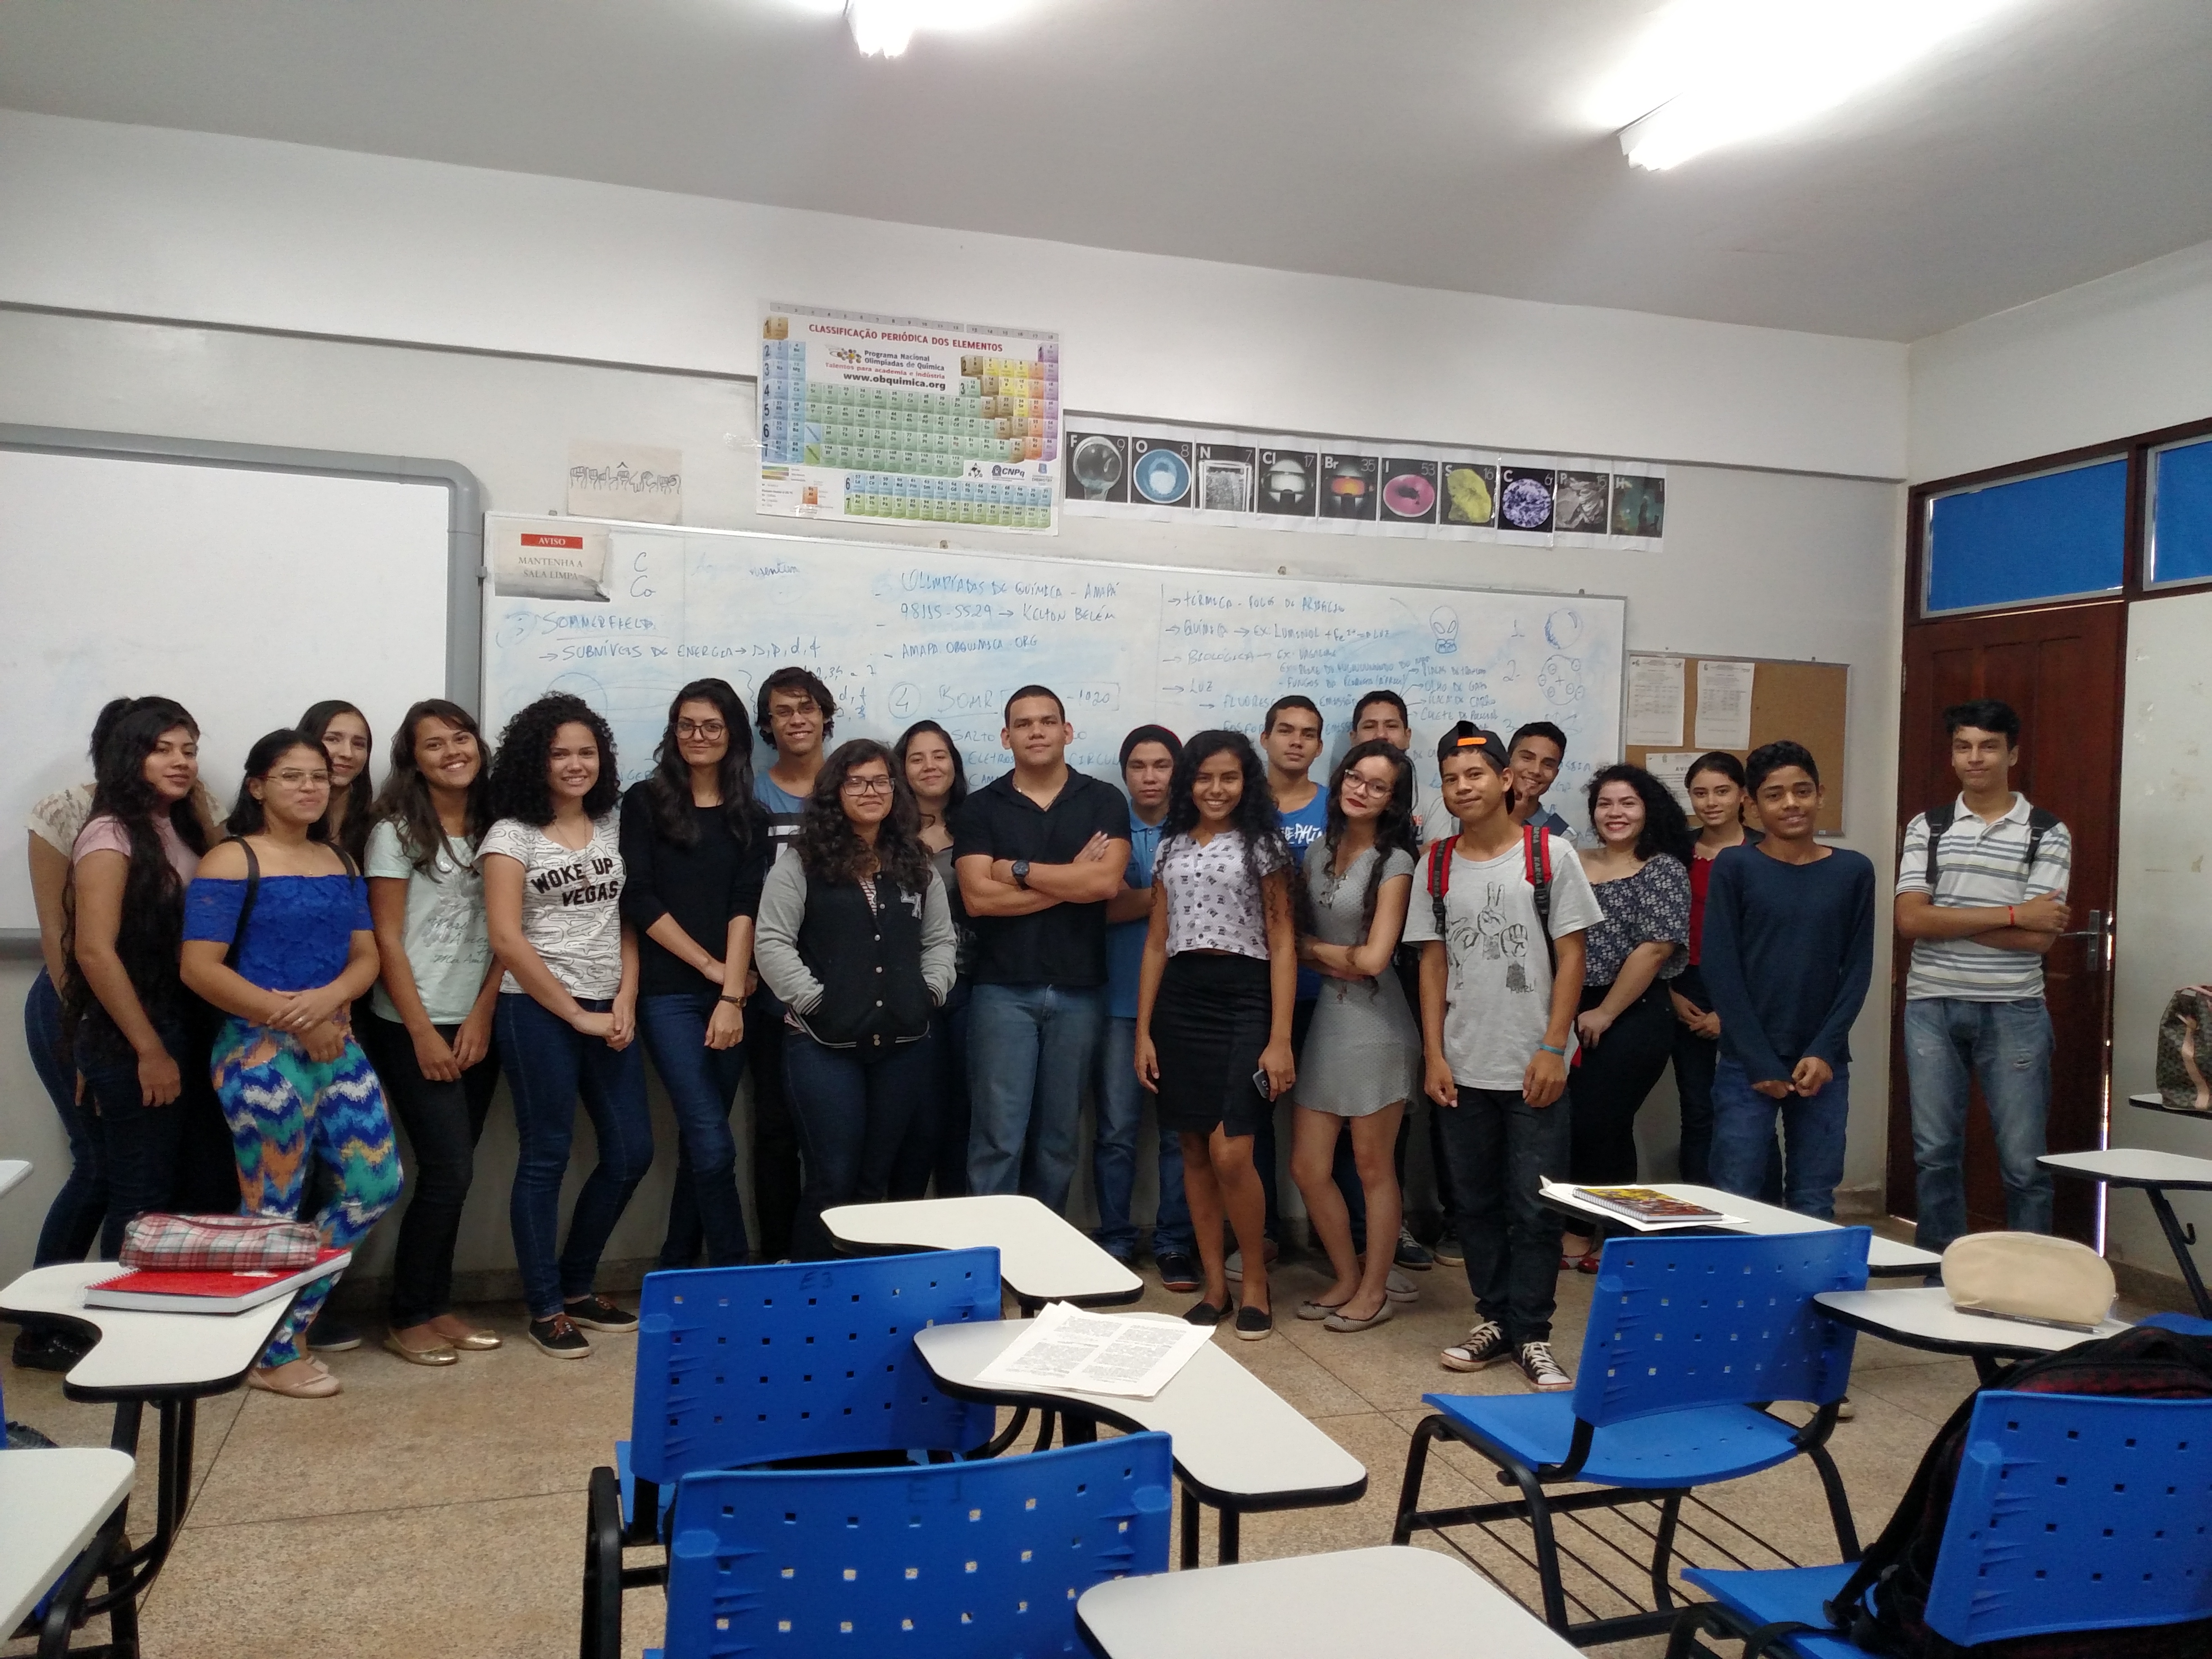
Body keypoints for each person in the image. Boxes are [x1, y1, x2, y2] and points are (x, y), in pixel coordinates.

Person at [180, 730, 400, 1400]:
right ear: (257, 786)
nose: (310, 788)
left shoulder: (339, 859)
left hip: (336, 1043)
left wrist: (328, 1005)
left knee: (374, 1184)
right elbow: (199, 969)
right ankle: (269, 1353)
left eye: (319, 777)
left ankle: (288, 1321)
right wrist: (300, 1020)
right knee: (272, 1206)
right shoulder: (230, 859)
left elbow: (366, 956)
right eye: (291, 776)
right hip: (258, 1053)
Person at [1404, 725, 1600, 1393]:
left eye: (1476, 774)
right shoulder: (1435, 865)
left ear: (1507, 780)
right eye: (1451, 779)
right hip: (1463, 1064)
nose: (1463, 787)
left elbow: (1572, 955)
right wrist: (1434, 1054)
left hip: (1532, 1064)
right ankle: (1493, 1319)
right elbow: (1432, 965)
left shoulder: (1549, 855)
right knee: (1476, 1204)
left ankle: (1533, 1332)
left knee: (1535, 1207)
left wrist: (1553, 1046)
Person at [481, 693, 649, 1358]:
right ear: (536, 760)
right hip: (537, 1011)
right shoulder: (511, 835)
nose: (576, 764)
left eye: (587, 752)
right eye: (560, 754)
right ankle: (546, 1306)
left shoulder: (611, 823)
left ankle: (578, 1285)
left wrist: (625, 997)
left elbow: (625, 918)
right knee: (546, 1154)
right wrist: (576, 1012)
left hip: (609, 1007)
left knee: (632, 1152)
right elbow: (506, 938)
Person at [755, 739, 956, 1259]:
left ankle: (860, 1293)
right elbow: (772, 941)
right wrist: (815, 1002)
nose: (871, 792)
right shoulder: (802, 862)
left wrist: (929, 991)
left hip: (903, 1044)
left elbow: (940, 940)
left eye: (881, 781)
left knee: (874, 1179)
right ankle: (809, 1287)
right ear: (835, 791)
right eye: (857, 782)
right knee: (833, 1178)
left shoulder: (915, 863)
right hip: (824, 1046)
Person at [1134, 730, 1299, 1340]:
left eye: (1228, 777)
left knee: (1233, 1150)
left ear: (1245, 782)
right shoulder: (1170, 846)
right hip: (1181, 1000)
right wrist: (1143, 1032)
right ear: (1188, 782)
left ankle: (1254, 1281)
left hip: (1245, 997)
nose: (1216, 788)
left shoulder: (1266, 845)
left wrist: (1280, 1038)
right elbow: (1156, 942)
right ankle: (1215, 1287)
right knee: (1193, 1150)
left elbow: (1283, 943)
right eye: (1204, 777)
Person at [59, 698, 233, 1262]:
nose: (181, 761)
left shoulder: (178, 825)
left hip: (184, 1023)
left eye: (189, 750)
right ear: (131, 756)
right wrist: (149, 1050)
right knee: (141, 1199)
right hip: (135, 1034)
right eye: (163, 750)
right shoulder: (110, 833)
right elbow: (95, 952)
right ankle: (114, 1313)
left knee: (191, 1187)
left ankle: (161, 1308)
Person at [1896, 699, 2072, 1253]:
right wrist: (2015, 913)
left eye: (1989, 746)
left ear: (2011, 754)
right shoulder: (1929, 827)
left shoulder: (2046, 832)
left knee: (2024, 1163)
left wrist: (1945, 919)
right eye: (1963, 746)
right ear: (1952, 756)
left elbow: (2039, 940)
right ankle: (1939, 1269)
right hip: (1931, 1005)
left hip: (2013, 1008)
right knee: (1934, 1154)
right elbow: (1910, 921)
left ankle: (2029, 1277)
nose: (1975, 758)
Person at [358, 699, 504, 1365]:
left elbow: (511, 930)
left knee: (457, 1171)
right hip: (410, 1021)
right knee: (447, 1169)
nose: (453, 752)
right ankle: (409, 1312)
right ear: (413, 761)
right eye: (434, 744)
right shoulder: (395, 831)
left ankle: (436, 1303)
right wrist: (420, 1031)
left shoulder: (501, 826)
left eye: (461, 737)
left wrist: (483, 1012)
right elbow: (386, 936)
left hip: (478, 1018)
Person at [954, 685, 1127, 1209]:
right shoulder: (980, 808)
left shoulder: (1103, 800)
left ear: (1067, 731)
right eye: (1024, 724)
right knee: (997, 1141)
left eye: (1047, 721)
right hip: (1000, 993)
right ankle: (991, 1251)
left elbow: (1105, 885)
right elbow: (978, 899)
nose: (1036, 731)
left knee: (1057, 1143)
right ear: (1005, 737)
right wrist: (1072, 879)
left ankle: (1042, 1252)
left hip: (1080, 992)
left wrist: (1018, 871)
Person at [620, 680, 768, 1271]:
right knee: (712, 1140)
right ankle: (734, 1271)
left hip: (732, 996)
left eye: (711, 726)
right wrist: (712, 970)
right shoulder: (645, 802)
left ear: (732, 734)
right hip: (668, 995)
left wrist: (731, 994)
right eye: (686, 725)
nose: (697, 736)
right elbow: (639, 896)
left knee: (700, 1144)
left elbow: (744, 903)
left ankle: (676, 1266)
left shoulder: (750, 816)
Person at [1700, 741, 1876, 1221]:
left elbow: (1857, 969)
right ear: (1752, 805)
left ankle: (1808, 1276)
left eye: (1802, 791)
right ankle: (1740, 1274)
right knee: (1735, 1194)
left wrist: (1824, 1050)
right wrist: (1757, 1058)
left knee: (1814, 1197)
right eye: (1774, 795)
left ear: (1820, 794)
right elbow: (1720, 967)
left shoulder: (1853, 871)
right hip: (1746, 1062)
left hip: (1823, 1061)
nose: (1791, 804)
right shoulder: (1736, 866)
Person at [1289, 739, 1422, 1331]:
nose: (1360, 790)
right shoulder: (1319, 849)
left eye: (1377, 785)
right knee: (1307, 1166)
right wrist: (1332, 955)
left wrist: (1319, 952)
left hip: (1377, 1024)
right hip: (1329, 1019)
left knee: (1373, 1167)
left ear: (1392, 800)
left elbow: (1374, 959)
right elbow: (1293, 943)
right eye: (1354, 777)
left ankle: (1374, 1290)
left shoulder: (1395, 863)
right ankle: (1345, 1276)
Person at [1558, 765, 1692, 1270]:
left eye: (1627, 803)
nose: (1615, 813)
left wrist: (1606, 1012)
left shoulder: (1662, 869)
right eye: (1605, 804)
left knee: (1603, 1122)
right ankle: (1584, 1229)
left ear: (1647, 810)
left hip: (1632, 1011)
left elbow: (1655, 949)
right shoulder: (1573, 860)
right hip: (1570, 1006)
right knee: (1576, 1124)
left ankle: (1613, 1237)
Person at [1348, 688, 1454, 1268]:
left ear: (1408, 737)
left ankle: (1399, 1230)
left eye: (1391, 725)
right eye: (1369, 726)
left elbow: (1430, 871)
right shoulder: (1341, 812)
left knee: (1400, 1107)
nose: (1381, 734)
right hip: (1344, 986)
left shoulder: (1433, 804)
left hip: (1410, 969)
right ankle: (1355, 1229)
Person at [746, 666, 833, 1257]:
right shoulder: (752, 798)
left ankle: (832, 1254)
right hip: (768, 991)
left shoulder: (853, 787)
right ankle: (779, 1254)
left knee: (836, 1136)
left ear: (824, 716)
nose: (797, 720)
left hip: (846, 987)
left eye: (806, 707)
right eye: (783, 711)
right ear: (768, 725)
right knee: (776, 1128)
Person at [1097, 725, 1187, 1277]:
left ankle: (1175, 1241)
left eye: (1161, 765)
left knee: (1179, 1136)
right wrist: (1165, 895)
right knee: (1115, 1133)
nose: (1149, 777)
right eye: (1138, 766)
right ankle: (1115, 1240)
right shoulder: (1105, 829)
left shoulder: (1198, 830)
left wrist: (1134, 897)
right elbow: (1098, 906)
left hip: (1183, 1005)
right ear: (1125, 772)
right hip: (1117, 1002)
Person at [1247, 695, 1327, 1267]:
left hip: (1326, 990)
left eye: (1308, 733)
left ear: (1320, 746)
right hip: (1255, 987)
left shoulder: (1336, 806)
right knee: (1254, 1119)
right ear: (1265, 738)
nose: (1296, 741)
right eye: (1285, 730)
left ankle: (1336, 1236)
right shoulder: (1242, 805)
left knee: (1328, 1118)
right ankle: (1264, 1234)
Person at [1670, 752, 1769, 1188]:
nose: (1711, 802)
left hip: (1750, 989)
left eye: (1722, 791)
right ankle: (1696, 1212)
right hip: (1685, 985)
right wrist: (1670, 992)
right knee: (1697, 1109)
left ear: (1743, 795)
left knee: (1754, 1103)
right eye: (1700, 793)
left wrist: (1729, 1013)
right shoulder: (1676, 851)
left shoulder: (1765, 851)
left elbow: (1771, 939)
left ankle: (1764, 1211)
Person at [889, 719, 974, 1201]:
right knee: (917, 1115)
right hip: (906, 988)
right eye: (916, 758)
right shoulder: (886, 830)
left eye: (939, 755)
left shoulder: (977, 824)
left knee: (962, 1111)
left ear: (954, 764)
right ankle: (904, 1225)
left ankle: (954, 1222)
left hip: (970, 984)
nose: (929, 766)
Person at [298, 699, 376, 868]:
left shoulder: (377, 826)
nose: (348, 753)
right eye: (333, 739)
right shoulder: (281, 822)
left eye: (359, 744)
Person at [1506, 721, 1575, 842]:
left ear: (1556, 774)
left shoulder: (1560, 834)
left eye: (1548, 764)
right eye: (1527, 758)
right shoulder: (1479, 814)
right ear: (1507, 759)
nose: (1536, 771)